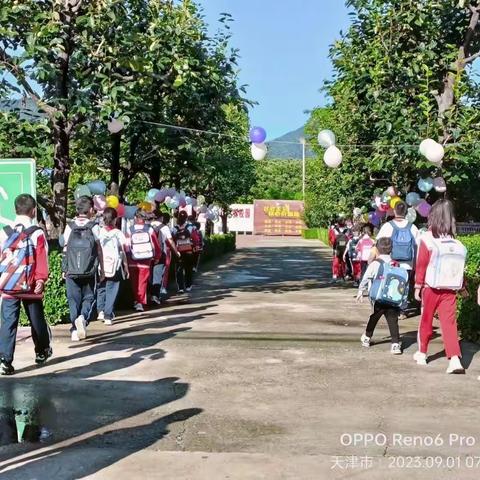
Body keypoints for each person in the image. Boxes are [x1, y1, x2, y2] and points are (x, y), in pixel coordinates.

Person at [413, 199, 467, 374]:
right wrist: (463, 287)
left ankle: (422, 353)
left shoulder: (427, 238)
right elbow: (459, 269)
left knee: (426, 320)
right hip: (450, 288)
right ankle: (454, 359)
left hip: (431, 287)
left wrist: (417, 287)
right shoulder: (455, 242)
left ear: (433, 216)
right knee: (450, 324)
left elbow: (421, 264)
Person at [0, 194, 52, 375]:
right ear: (34, 210)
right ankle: (42, 351)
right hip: (30, 285)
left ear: (15, 210)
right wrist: (41, 279)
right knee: (36, 320)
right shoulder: (36, 232)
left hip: (8, 286)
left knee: (8, 322)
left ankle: (5, 361)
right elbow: (41, 257)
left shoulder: (4, 231)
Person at [61, 196, 104, 342]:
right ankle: (83, 317)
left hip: (71, 270)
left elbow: (65, 248)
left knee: (73, 300)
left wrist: (64, 268)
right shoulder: (94, 226)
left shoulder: (69, 226)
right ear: (91, 209)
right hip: (89, 270)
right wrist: (102, 269)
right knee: (89, 297)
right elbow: (99, 250)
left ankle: (74, 329)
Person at [356, 237, 408, 355]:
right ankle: (395, 344)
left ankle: (367, 338)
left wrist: (360, 291)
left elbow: (366, 278)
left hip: (379, 298)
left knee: (374, 317)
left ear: (377, 250)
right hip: (393, 298)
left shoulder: (376, 263)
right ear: (391, 250)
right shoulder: (396, 264)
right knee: (393, 321)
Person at [376, 201, 419, 315]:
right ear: (406, 212)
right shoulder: (412, 227)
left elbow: (378, 244)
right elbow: (417, 246)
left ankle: (391, 308)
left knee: (390, 285)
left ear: (394, 211)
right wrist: (415, 264)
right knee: (404, 287)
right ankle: (403, 310)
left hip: (391, 262)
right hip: (408, 264)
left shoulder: (387, 226)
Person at [97, 208, 129, 325]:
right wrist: (125, 266)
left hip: (101, 265)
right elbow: (123, 251)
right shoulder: (118, 233)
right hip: (114, 266)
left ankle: (100, 310)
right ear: (115, 219)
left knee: (101, 287)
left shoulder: (99, 232)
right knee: (112, 289)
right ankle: (108, 315)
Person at [128, 209, 162, 312]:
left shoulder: (130, 229)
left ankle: (137, 300)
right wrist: (157, 257)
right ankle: (140, 302)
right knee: (142, 282)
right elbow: (156, 245)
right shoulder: (149, 229)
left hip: (132, 260)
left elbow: (126, 246)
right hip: (145, 260)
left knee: (134, 282)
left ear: (135, 218)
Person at [151, 212, 180, 304]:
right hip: (160, 255)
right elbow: (170, 241)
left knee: (148, 276)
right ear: (161, 218)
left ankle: (142, 298)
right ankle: (155, 295)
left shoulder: (148, 226)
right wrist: (176, 252)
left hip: (146, 255)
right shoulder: (164, 227)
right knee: (157, 275)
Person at [173, 211, 201, 293]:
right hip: (189, 251)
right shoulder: (191, 227)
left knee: (179, 269)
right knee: (188, 269)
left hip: (178, 251)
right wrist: (196, 248)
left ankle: (180, 287)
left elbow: (172, 239)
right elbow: (196, 239)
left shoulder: (174, 228)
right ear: (186, 218)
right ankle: (188, 285)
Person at [328, 215, 350, 281]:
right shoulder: (348, 230)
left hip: (337, 248)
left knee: (336, 261)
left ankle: (335, 274)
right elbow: (349, 239)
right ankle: (344, 274)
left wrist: (333, 247)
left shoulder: (333, 230)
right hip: (345, 248)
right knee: (345, 261)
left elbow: (331, 240)